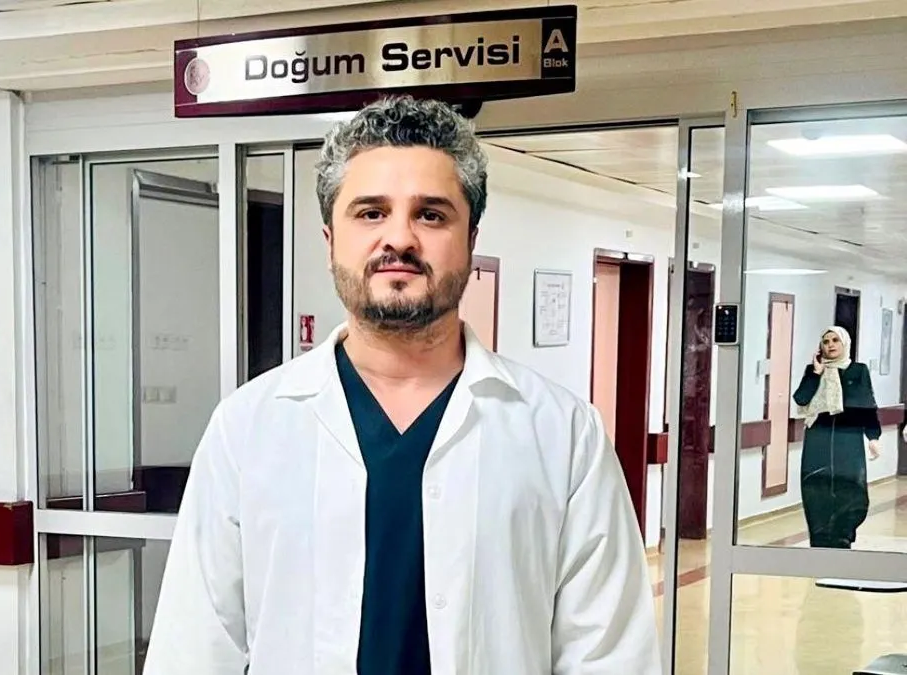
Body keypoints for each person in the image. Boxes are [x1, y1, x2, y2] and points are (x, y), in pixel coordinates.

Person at [143, 95, 661, 674]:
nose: (400, 239)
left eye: (431, 215)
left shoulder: (562, 434)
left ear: (471, 239)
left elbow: (609, 655)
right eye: (371, 213)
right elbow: (194, 648)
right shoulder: (248, 428)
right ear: (329, 240)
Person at [792, 325, 882, 549]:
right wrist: (816, 374)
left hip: (848, 438)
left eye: (835, 340)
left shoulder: (858, 370)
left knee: (851, 490)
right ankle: (819, 541)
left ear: (845, 343)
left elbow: (867, 404)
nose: (830, 345)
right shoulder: (814, 370)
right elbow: (801, 399)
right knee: (816, 490)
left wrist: (873, 437)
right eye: (826, 341)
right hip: (818, 438)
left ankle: (843, 537)